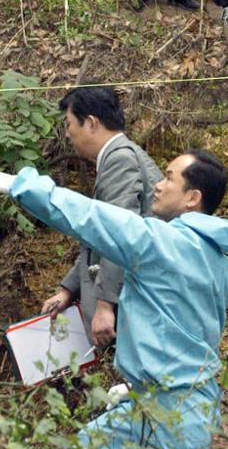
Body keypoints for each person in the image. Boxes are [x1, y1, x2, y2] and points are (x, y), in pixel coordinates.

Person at [0, 150, 228, 449]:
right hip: (157, 396)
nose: (157, 184)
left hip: (180, 405)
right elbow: (192, 331)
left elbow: (90, 216)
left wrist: (16, 184)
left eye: (169, 177)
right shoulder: (222, 265)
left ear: (192, 198)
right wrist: (141, 382)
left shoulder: (160, 243)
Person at [41, 87, 162, 347]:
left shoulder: (119, 160)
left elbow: (120, 234)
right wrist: (68, 289)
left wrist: (105, 305)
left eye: (70, 123)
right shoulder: (120, 155)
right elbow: (101, 238)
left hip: (138, 299)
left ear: (92, 123)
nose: (67, 133)